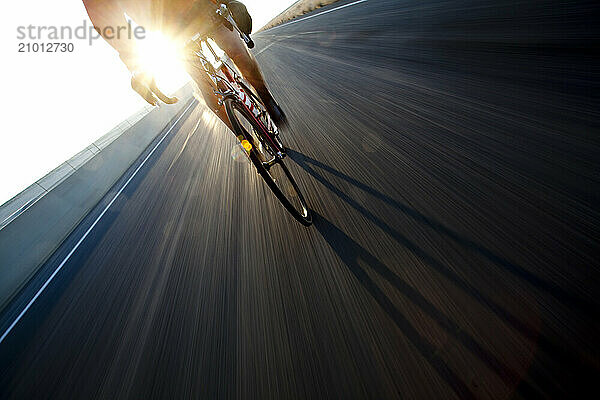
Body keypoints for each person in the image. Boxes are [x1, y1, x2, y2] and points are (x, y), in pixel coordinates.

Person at [82, 0, 287, 128]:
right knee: (208, 89)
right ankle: (246, 142)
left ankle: (266, 98)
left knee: (237, 51)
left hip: (203, 7)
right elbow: (106, 18)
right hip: (169, 32)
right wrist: (136, 66)